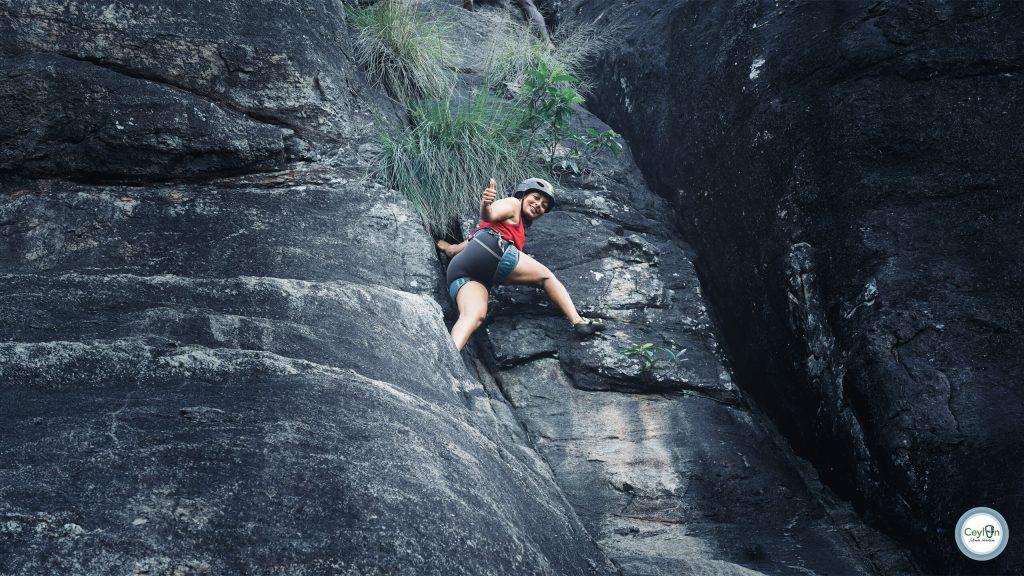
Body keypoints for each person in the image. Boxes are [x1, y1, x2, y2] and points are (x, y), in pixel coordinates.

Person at [437, 177, 605, 351]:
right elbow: (490, 213)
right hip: (493, 249)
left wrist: (447, 247)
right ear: (522, 194)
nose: (539, 205)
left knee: (473, 316)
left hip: (462, 271)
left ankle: (449, 356)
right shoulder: (513, 204)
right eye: (536, 198)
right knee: (546, 277)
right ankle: (578, 321)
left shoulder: (495, 229)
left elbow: (457, 250)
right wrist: (486, 205)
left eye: (544, 205)